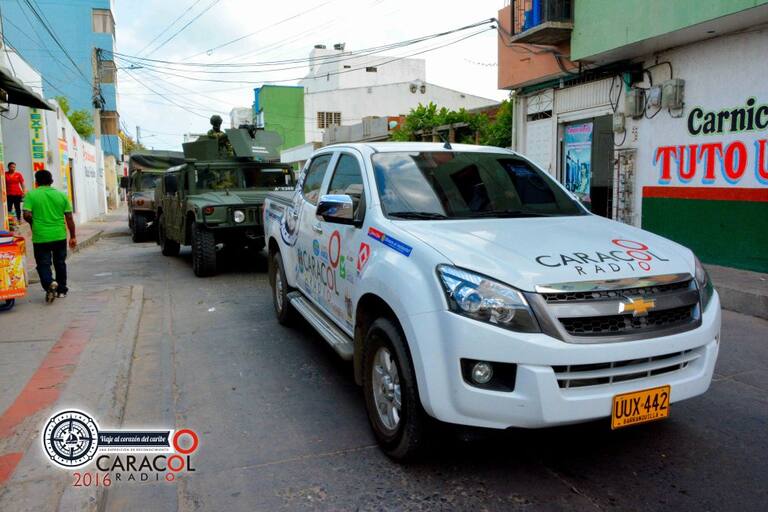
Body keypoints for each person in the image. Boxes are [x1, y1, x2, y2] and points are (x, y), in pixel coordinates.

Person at [22, 170, 77, 303]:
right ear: (51, 181)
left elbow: (26, 215)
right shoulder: (61, 195)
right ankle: (61, 291)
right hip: (59, 235)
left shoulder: (31, 195)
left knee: (43, 264)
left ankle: (50, 283)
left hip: (41, 237)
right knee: (60, 263)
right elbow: (69, 217)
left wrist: (34, 223)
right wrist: (73, 236)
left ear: (36, 182)